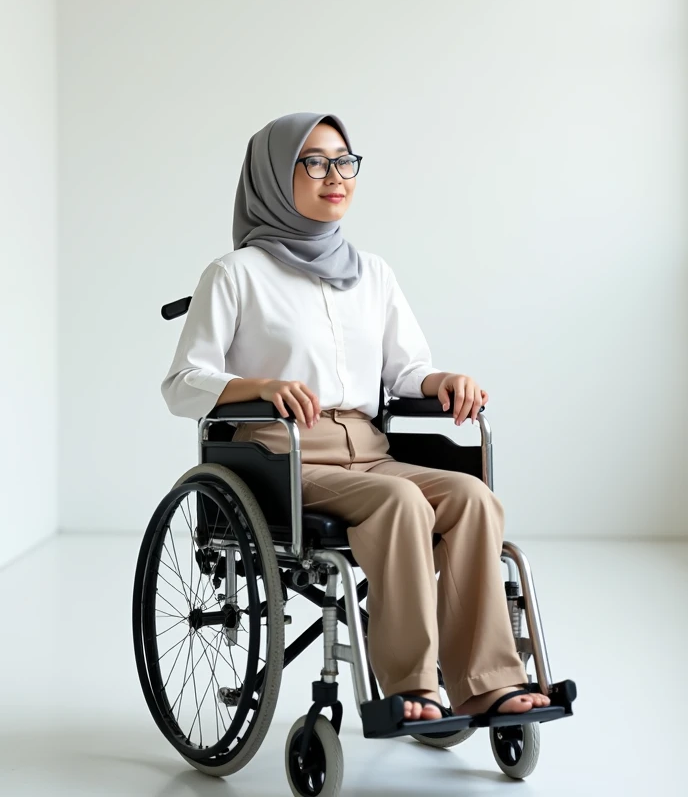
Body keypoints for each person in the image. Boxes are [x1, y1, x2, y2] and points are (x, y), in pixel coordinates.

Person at [161, 111, 550, 723]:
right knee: (401, 503)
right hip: (283, 457)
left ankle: (487, 681)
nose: (334, 176)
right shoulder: (236, 275)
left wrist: (439, 380)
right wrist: (258, 386)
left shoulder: (373, 274)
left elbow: (404, 371)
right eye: (312, 162)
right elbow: (183, 386)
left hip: (371, 451)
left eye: (344, 161)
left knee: (473, 498)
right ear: (272, 175)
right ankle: (410, 686)